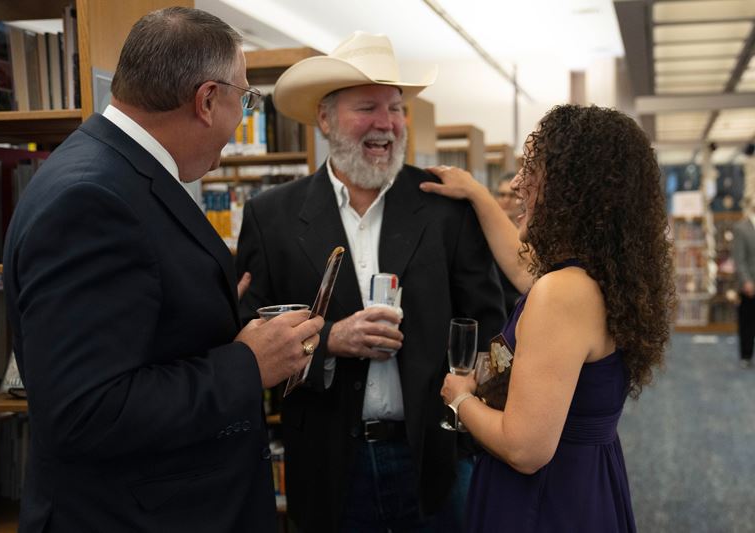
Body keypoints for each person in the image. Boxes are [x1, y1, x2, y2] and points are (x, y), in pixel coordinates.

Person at [2, 8, 322, 532]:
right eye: (243, 99)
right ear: (206, 100)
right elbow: (85, 411)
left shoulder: (118, 170)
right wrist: (248, 364)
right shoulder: (92, 198)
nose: (240, 117)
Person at [235, 32, 507, 532]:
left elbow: (489, 326)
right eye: (367, 107)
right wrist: (330, 341)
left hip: (434, 461)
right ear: (325, 118)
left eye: (395, 108)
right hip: (328, 466)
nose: (386, 124)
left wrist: (470, 424)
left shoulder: (445, 210)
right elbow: (247, 345)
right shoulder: (271, 217)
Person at [422, 104, 675, 532]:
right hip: (583, 481)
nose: (517, 184)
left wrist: (459, 398)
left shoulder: (562, 293)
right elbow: (522, 267)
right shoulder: (600, 275)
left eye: (531, 170)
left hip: (544, 500)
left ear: (572, 187)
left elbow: (525, 449)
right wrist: (477, 194)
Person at [493, 172, 523, 316]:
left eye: (511, 195)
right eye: (501, 195)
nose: (506, 200)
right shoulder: (488, 234)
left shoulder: (528, 237)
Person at [732, 196, 755, 369]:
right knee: (747, 321)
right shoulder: (741, 228)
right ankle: (746, 355)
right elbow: (739, 259)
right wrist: (746, 281)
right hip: (749, 284)